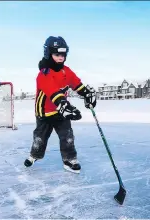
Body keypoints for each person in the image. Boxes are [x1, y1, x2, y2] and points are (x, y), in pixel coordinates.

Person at [24, 36, 97, 173]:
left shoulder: (66, 71)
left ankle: (69, 160)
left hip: (61, 111)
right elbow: (52, 91)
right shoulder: (43, 73)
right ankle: (34, 155)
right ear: (49, 53)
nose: (60, 57)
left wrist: (87, 93)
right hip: (45, 112)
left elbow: (76, 84)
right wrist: (63, 104)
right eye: (57, 54)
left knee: (67, 136)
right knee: (40, 137)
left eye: (63, 54)